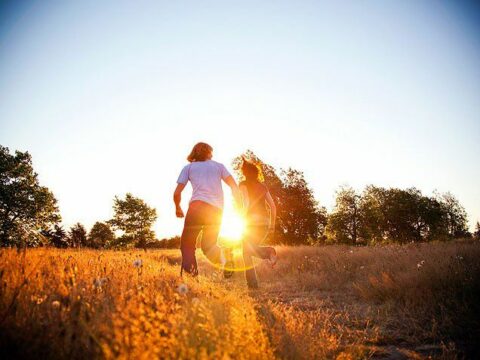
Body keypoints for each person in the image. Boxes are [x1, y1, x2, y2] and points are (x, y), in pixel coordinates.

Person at [173, 142, 242, 276]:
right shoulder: (219, 166)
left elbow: (177, 193)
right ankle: (225, 257)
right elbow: (234, 186)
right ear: (209, 153)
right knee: (208, 246)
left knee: (187, 245)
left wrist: (177, 207)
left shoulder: (188, 168)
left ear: (194, 153)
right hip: (216, 210)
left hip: (197, 207)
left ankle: (193, 278)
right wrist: (239, 205)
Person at [239, 158, 277, 289]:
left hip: (251, 222)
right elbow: (272, 206)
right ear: (256, 172)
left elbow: (246, 202)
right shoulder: (262, 186)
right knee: (248, 250)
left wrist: (241, 218)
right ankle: (268, 253)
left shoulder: (243, 184)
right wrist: (272, 225)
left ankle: (268, 252)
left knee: (246, 252)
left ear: (244, 172)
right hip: (265, 222)